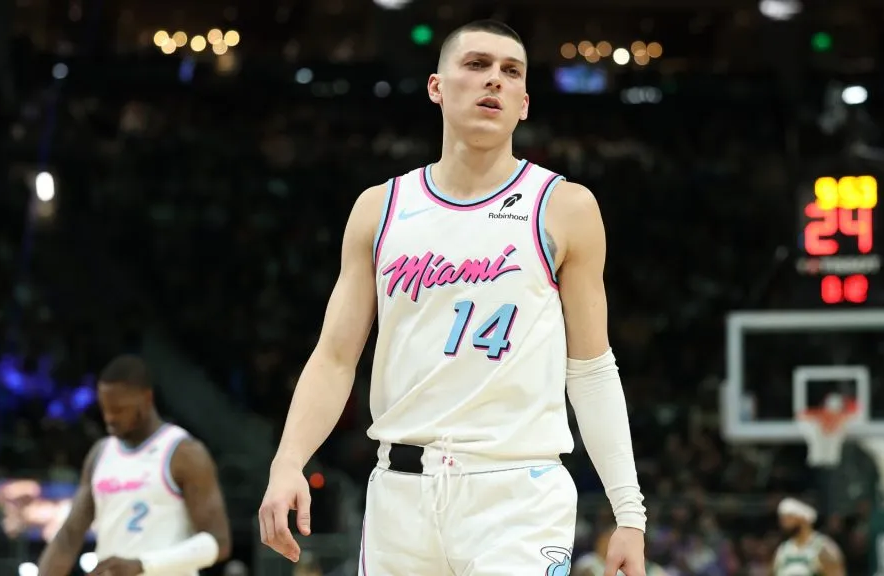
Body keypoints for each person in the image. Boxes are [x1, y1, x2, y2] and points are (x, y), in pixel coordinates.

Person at [258, 18, 647, 576]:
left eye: (510, 72)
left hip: (517, 495)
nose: (494, 81)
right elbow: (335, 356)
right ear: (436, 87)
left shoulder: (565, 206)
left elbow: (590, 367)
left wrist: (628, 512)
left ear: (525, 103)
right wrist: (288, 462)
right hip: (399, 495)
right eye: (476, 65)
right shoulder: (379, 208)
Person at [37, 354, 232, 576]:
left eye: (119, 409)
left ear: (146, 399)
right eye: (105, 409)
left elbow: (218, 543)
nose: (109, 418)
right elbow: (69, 536)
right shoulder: (100, 454)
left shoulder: (184, 453)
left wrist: (143, 564)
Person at [773, 498, 845, 576]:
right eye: (782, 518)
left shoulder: (823, 548)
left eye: (788, 517)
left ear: (803, 518)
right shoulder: (782, 550)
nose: (783, 522)